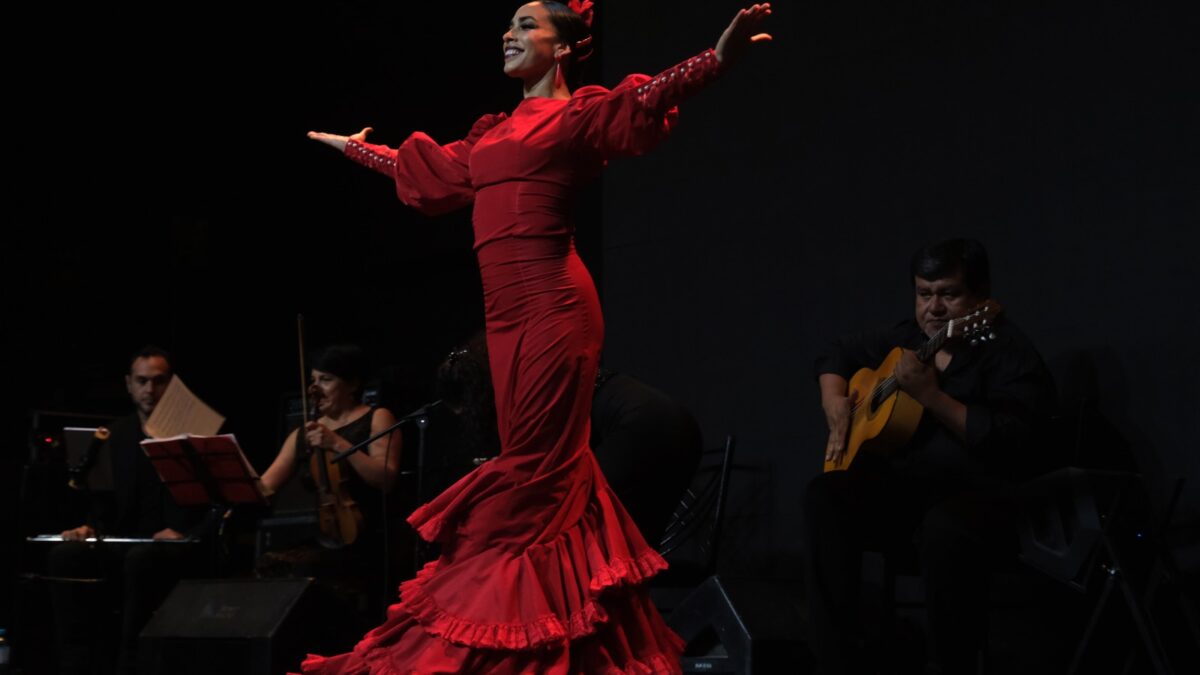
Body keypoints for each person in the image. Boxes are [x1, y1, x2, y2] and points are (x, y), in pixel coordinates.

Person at [302, 2, 772, 671]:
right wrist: (354, 147)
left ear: (563, 48)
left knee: (534, 474)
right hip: (504, 320)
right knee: (540, 474)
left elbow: (642, 100)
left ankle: (523, 643)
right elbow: (429, 174)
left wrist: (714, 60)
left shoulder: (576, 116)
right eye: (509, 24)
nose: (508, 32)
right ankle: (564, 634)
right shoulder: (492, 137)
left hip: (555, 307)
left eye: (526, 25)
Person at [802, 239, 1057, 674]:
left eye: (948, 293)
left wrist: (930, 396)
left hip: (984, 501)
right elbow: (837, 352)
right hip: (913, 496)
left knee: (944, 528)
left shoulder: (1006, 350)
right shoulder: (908, 338)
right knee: (827, 495)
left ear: (980, 296)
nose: (934, 307)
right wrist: (835, 401)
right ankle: (836, 659)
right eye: (925, 293)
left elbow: (1014, 443)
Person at [49, 346, 211, 675]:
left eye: (159, 381)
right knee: (65, 555)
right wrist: (90, 529)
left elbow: (213, 502)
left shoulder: (196, 432)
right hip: (125, 541)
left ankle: (131, 663)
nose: (150, 390)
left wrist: (182, 531)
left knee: (142, 559)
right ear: (129, 384)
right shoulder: (114, 434)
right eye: (142, 381)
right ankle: (75, 662)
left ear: (172, 384)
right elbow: (104, 503)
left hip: (177, 543)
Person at [257, 344, 403, 619]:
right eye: (313, 380)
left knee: (307, 572)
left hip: (370, 538)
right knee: (272, 563)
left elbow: (385, 478)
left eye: (326, 379)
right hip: (328, 536)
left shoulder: (377, 417)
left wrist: (337, 442)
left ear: (352, 384)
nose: (315, 388)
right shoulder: (306, 431)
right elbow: (266, 485)